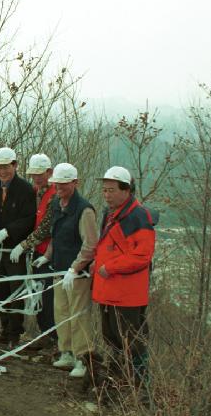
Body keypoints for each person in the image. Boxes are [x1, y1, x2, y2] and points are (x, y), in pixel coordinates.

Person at [25, 163, 99, 378]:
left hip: (77, 275)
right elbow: (56, 236)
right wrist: (46, 257)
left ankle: (82, 358)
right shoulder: (57, 204)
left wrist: (75, 269)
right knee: (62, 313)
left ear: (75, 183)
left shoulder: (84, 210)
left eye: (64, 184)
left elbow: (90, 245)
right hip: (58, 269)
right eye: (56, 184)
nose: (59, 188)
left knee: (78, 316)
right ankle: (65, 351)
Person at [92, 166, 156, 387]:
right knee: (112, 337)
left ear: (126, 190)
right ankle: (118, 380)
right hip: (110, 290)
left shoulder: (138, 217)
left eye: (111, 190)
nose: (107, 195)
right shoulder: (112, 214)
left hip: (127, 293)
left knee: (132, 341)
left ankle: (140, 386)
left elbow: (142, 256)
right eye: (105, 190)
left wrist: (110, 267)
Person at [0, 147, 37, 347]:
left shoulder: (25, 189)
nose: (2, 171)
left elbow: (30, 218)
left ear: (15, 165)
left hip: (16, 249)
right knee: (1, 288)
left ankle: (15, 332)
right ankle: (4, 329)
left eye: (6, 167)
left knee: (17, 289)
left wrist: (9, 231)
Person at [10, 153, 57, 351]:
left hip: (51, 253)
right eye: (34, 175)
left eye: (40, 174)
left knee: (48, 297)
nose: (37, 178)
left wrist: (24, 244)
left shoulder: (55, 195)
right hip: (38, 253)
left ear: (50, 172)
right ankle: (45, 334)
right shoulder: (36, 192)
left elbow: (46, 227)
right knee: (38, 295)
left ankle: (54, 338)